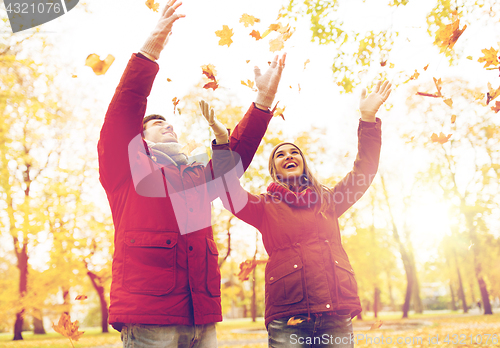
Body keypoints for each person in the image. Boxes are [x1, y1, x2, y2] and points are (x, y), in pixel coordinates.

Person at [97, 1, 286, 346]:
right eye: (156, 124)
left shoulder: (196, 177)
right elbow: (123, 114)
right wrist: (149, 51)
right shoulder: (126, 168)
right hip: (151, 319)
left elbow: (234, 161)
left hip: (202, 317)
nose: (166, 126)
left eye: (168, 122)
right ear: (139, 139)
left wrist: (262, 100)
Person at [204, 81, 392, 347]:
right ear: (274, 169)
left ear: (303, 164)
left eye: (294, 152)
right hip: (287, 315)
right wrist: (223, 145)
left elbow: (364, 172)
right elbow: (226, 191)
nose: (288, 155)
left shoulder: (330, 200)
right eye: (280, 154)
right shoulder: (263, 207)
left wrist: (368, 119)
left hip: (335, 313)